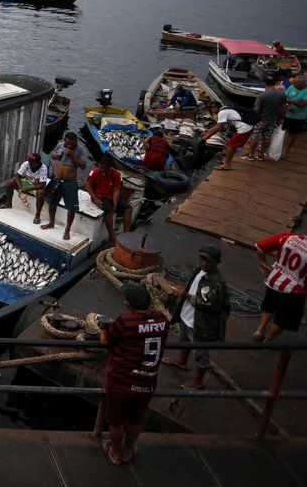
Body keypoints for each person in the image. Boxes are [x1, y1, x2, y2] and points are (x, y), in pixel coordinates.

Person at [100, 284, 169, 466]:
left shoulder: (124, 322)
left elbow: (104, 339)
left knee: (116, 422)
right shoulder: (163, 320)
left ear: (127, 304)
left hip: (122, 383)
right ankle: (128, 449)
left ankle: (114, 452)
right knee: (136, 419)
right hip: (147, 383)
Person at [165, 244, 229, 390]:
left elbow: (211, 304)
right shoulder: (199, 270)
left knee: (201, 354)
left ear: (217, 263)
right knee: (183, 340)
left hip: (201, 324)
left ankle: (198, 381)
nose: (204, 263)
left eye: (209, 261)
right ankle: (181, 361)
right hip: (187, 315)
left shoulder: (217, 282)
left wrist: (186, 296)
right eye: (202, 259)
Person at [253, 233, 307, 342]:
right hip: (295, 290)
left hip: (275, 280)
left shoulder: (289, 237)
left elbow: (259, 246)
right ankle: (267, 341)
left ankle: (260, 330)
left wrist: (262, 262)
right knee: (282, 320)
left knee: (269, 306)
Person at [41, 132, 89, 241]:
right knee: (52, 203)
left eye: (72, 144)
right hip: (57, 180)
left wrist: (71, 155)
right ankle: (51, 223)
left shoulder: (81, 150)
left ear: (76, 141)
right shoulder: (60, 145)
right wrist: (55, 155)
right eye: (67, 143)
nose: (69, 145)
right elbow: (53, 155)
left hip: (70, 182)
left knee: (71, 208)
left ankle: (67, 230)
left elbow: (83, 166)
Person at [85, 155, 132, 243]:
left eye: (103, 168)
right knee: (108, 211)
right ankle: (111, 234)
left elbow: (116, 190)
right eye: (100, 167)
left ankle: (126, 234)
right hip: (100, 196)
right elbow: (87, 185)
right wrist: (94, 198)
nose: (100, 169)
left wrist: (115, 204)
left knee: (128, 209)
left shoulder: (117, 174)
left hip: (111, 196)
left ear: (109, 167)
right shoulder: (95, 172)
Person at [242, 76, 286, 162]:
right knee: (267, 137)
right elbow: (283, 108)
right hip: (273, 120)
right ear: (274, 83)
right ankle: (261, 155)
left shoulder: (262, 95)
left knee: (255, 136)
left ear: (265, 83)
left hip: (261, 119)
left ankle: (251, 155)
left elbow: (256, 109)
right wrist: (282, 118)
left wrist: (252, 117)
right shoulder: (281, 94)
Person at [200, 101, 254, 171]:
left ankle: (227, 165)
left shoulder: (222, 112)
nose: (211, 111)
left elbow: (218, 128)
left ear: (215, 108)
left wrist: (206, 137)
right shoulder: (226, 109)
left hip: (244, 129)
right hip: (248, 127)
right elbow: (218, 126)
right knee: (232, 146)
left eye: (211, 109)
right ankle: (227, 162)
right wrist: (208, 131)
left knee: (230, 145)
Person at [0, 152, 48, 223]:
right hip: (26, 183)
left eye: (32, 163)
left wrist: (28, 189)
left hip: (35, 187)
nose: (30, 164)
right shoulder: (26, 164)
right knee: (9, 183)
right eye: (30, 162)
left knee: (41, 193)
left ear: (38, 163)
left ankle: (37, 215)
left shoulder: (43, 168)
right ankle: (8, 203)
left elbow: (42, 184)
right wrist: (21, 188)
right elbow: (17, 176)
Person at [282, 73, 307, 158]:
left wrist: (290, 100)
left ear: (303, 84)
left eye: (297, 84)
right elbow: (284, 97)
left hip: (298, 117)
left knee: (292, 134)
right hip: (286, 114)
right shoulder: (292, 87)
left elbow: (303, 104)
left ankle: (286, 152)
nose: (294, 85)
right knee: (280, 132)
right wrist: (288, 104)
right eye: (294, 83)